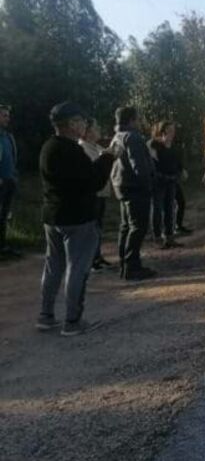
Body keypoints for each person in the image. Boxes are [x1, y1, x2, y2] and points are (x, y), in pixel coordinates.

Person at [37, 102, 117, 336]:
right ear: (71, 124)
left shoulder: (48, 147)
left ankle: (46, 315)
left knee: (53, 267)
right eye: (82, 121)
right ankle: (73, 320)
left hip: (53, 217)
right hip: (77, 218)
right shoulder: (71, 150)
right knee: (77, 267)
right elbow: (93, 181)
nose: (85, 125)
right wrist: (107, 158)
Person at [111, 106, 157, 280]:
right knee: (138, 227)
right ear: (131, 120)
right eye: (138, 119)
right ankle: (132, 267)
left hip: (121, 185)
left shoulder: (117, 137)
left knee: (126, 227)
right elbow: (139, 166)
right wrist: (148, 184)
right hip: (135, 187)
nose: (139, 122)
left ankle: (124, 264)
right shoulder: (133, 137)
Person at [78, 118, 115, 270]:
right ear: (87, 132)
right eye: (96, 127)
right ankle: (91, 260)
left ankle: (97, 256)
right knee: (92, 228)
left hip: (101, 193)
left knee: (98, 227)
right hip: (93, 194)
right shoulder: (83, 149)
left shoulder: (96, 146)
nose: (99, 129)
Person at [149, 121, 183, 249]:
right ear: (162, 131)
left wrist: (180, 171)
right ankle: (157, 237)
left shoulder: (173, 146)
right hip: (158, 182)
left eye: (173, 130)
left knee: (170, 208)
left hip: (171, 181)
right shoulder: (154, 145)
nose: (172, 133)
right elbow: (152, 164)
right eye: (169, 130)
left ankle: (169, 236)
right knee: (157, 209)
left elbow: (178, 161)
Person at [0, 103, 18, 256]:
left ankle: (2, 245)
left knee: (4, 214)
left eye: (8, 115)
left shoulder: (7, 136)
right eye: (4, 115)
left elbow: (12, 156)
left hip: (9, 180)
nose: (7, 118)